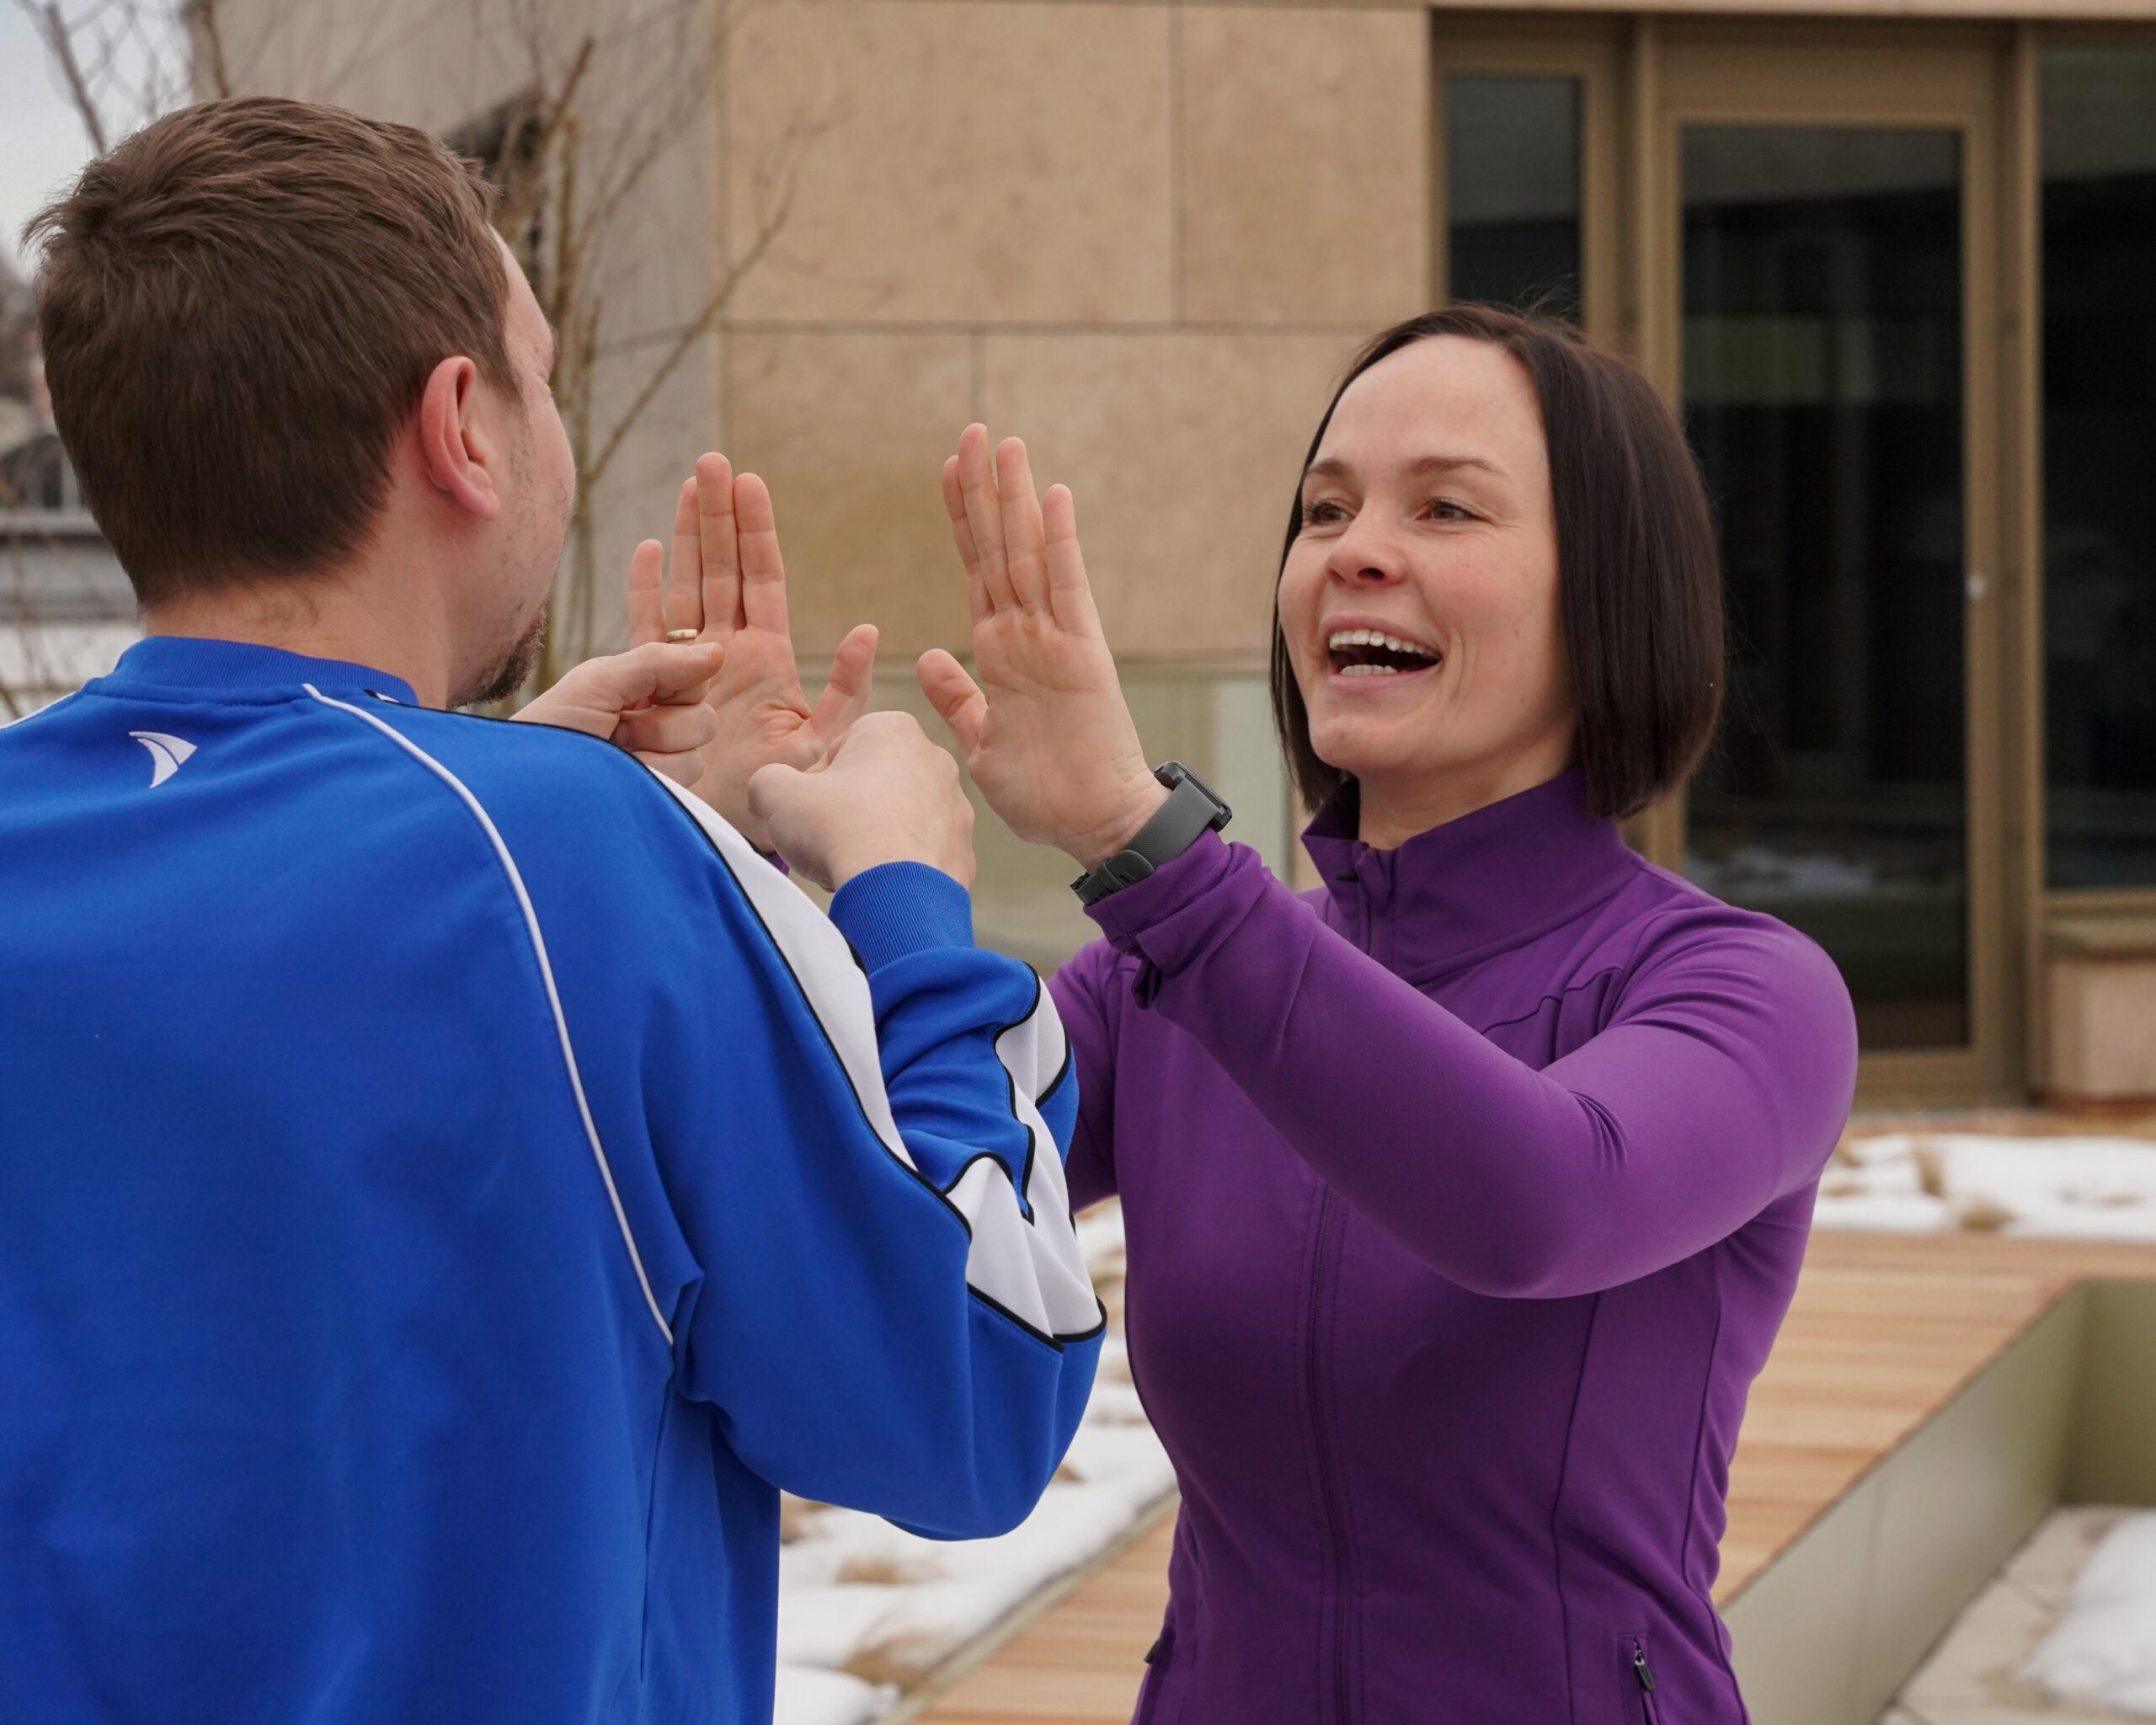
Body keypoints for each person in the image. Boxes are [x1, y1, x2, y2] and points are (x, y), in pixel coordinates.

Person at [0, 97, 1099, 1725]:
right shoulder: (574, 860)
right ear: (463, 424)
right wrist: (907, 903)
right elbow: (971, 1391)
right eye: (543, 378)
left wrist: (527, 800)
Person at [914, 305, 1860, 1723]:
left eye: (1446, 508)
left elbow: (1541, 1200)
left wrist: (1146, 852)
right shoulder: (1165, 983)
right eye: (1325, 509)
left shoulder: (1744, 991)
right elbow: (888, 1168)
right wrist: (710, 845)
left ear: (1608, 594)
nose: (1355, 550)